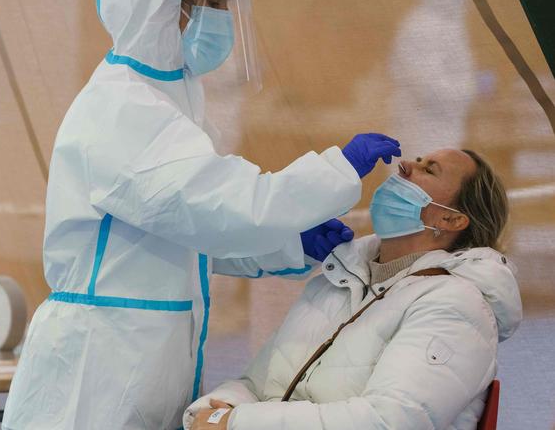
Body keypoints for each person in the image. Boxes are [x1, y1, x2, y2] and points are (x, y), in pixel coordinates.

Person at [2, 0, 401, 429]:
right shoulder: (123, 111)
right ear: (157, 0)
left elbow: (183, 236)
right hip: (98, 373)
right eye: (208, 2)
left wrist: (283, 248)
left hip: (142, 356)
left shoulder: (170, 102)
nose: (221, 18)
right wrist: (338, 168)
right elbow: (227, 208)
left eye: (223, 4)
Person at [185, 149, 523, 430]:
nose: (405, 165)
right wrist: (206, 415)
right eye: (417, 159)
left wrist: (236, 423)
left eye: (428, 170)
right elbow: (255, 386)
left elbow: (389, 421)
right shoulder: (337, 281)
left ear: (451, 220)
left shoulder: (456, 305)